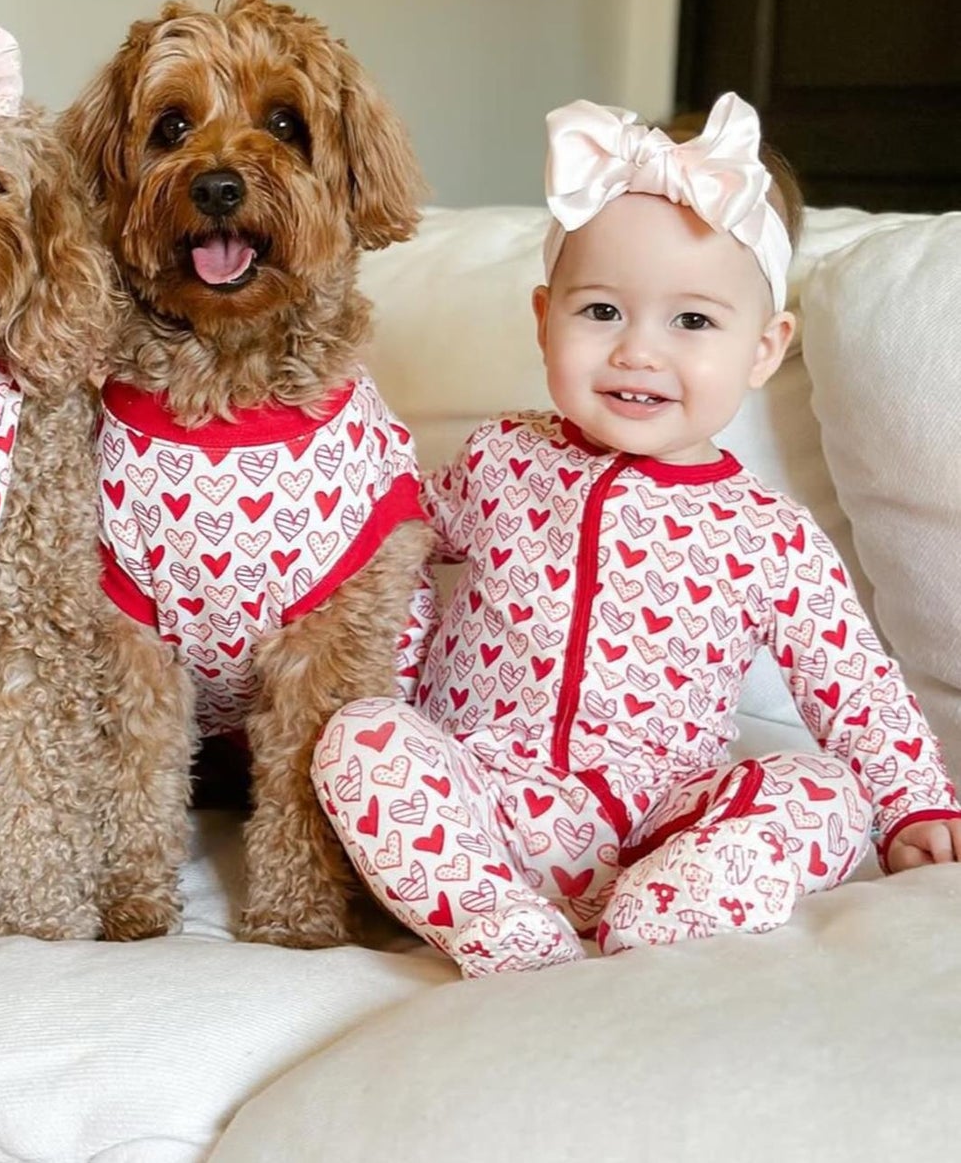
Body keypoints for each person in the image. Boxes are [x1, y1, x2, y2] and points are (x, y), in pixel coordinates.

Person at [311, 92, 961, 976]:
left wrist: (914, 801)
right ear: (545, 318)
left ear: (763, 348)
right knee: (358, 734)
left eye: (691, 320)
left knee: (822, 791)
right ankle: (507, 936)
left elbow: (852, 682)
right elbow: (393, 540)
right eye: (602, 312)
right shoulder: (502, 456)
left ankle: (663, 919)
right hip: (477, 802)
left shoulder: (764, 532)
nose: (637, 352)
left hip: (659, 826)